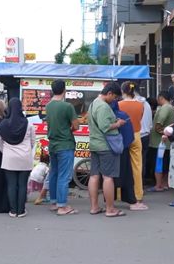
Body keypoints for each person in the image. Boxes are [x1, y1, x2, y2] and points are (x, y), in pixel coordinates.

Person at [87, 82, 126, 217]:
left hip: (95, 144)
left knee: (94, 176)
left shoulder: (93, 103)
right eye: (114, 97)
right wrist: (118, 123)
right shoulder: (103, 107)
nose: (114, 100)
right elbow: (105, 127)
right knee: (108, 177)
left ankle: (94, 207)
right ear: (109, 93)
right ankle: (110, 209)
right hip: (106, 146)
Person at [44, 80, 80, 216]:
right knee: (64, 176)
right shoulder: (67, 106)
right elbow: (76, 126)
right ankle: (62, 206)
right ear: (64, 90)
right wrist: (69, 128)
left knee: (54, 173)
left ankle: (54, 202)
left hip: (52, 144)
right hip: (65, 144)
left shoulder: (48, 106)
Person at [0, 98, 35, 218]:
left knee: (11, 184)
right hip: (25, 157)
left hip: (9, 158)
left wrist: (6, 152)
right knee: (23, 184)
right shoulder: (28, 123)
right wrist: (27, 151)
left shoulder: (2, 125)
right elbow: (33, 141)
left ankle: (13, 211)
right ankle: (21, 210)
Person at [119, 81, 148, 211]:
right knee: (137, 166)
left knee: (122, 166)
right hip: (136, 135)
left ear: (123, 91)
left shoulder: (119, 105)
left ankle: (120, 194)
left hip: (123, 136)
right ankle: (138, 195)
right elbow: (140, 118)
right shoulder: (140, 105)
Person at [111, 99, 139, 210]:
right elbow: (129, 134)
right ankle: (130, 199)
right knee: (127, 175)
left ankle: (109, 200)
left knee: (108, 177)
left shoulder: (104, 114)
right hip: (123, 149)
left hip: (107, 150)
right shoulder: (124, 114)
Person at [147, 91, 174, 192]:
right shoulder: (170, 107)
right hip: (166, 143)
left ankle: (158, 185)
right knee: (165, 164)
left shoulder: (165, 108)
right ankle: (164, 183)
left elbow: (159, 122)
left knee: (158, 164)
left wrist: (161, 130)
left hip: (159, 143)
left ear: (161, 98)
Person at [136, 90, 153, 183]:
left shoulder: (132, 104)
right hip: (146, 135)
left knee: (133, 161)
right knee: (142, 161)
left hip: (135, 135)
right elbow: (150, 124)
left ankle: (134, 185)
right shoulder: (147, 104)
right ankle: (140, 184)